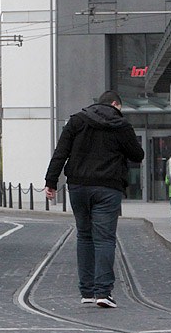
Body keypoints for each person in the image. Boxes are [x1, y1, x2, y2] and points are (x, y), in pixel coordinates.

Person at [44, 90, 144, 308]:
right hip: (108, 187)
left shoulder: (77, 121)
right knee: (105, 239)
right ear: (116, 104)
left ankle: (87, 291)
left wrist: (51, 182)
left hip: (78, 186)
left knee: (84, 236)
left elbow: (60, 152)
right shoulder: (121, 125)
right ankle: (103, 293)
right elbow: (138, 155)